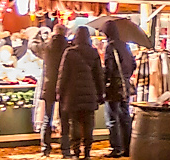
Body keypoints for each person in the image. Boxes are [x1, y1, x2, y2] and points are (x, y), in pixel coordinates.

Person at [58, 27, 105, 160]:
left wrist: (59, 92)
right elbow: (99, 76)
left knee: (75, 122)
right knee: (89, 123)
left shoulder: (69, 53)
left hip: (72, 94)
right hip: (90, 93)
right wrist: (101, 94)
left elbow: (63, 75)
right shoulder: (93, 53)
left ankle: (76, 151)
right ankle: (88, 152)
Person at [102, 21, 136, 158]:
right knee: (125, 117)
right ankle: (127, 147)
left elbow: (109, 68)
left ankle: (116, 148)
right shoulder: (125, 45)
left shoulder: (110, 47)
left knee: (112, 118)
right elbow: (133, 64)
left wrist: (105, 81)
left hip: (114, 87)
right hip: (126, 85)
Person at [38, 25, 69, 158]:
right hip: (64, 85)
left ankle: (46, 148)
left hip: (49, 84)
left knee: (47, 118)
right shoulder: (69, 47)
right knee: (64, 119)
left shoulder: (47, 47)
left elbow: (33, 45)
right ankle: (65, 149)